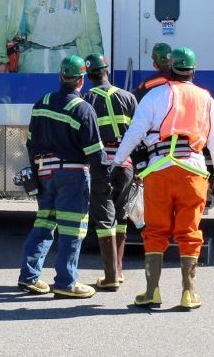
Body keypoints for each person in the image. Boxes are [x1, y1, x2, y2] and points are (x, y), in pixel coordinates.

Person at [110, 47, 214, 310]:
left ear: (170, 67)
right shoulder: (206, 99)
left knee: (155, 231)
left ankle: (152, 292)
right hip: (193, 171)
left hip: (158, 170)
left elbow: (135, 132)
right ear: (194, 70)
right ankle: (189, 293)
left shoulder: (154, 95)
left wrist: (119, 162)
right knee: (189, 232)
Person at [17, 55, 105, 299]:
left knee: (44, 224)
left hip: (44, 172)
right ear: (81, 80)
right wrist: (103, 183)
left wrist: (36, 174)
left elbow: (31, 143)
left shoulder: (41, 103)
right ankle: (66, 282)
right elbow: (94, 153)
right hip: (73, 175)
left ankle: (29, 277)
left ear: (60, 77)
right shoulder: (83, 109)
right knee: (73, 228)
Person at [80, 53, 138, 291]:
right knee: (121, 216)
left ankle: (110, 276)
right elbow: (140, 132)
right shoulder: (128, 97)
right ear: (107, 71)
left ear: (88, 75)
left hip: (101, 167)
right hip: (125, 166)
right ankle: (120, 271)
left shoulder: (86, 100)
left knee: (104, 218)